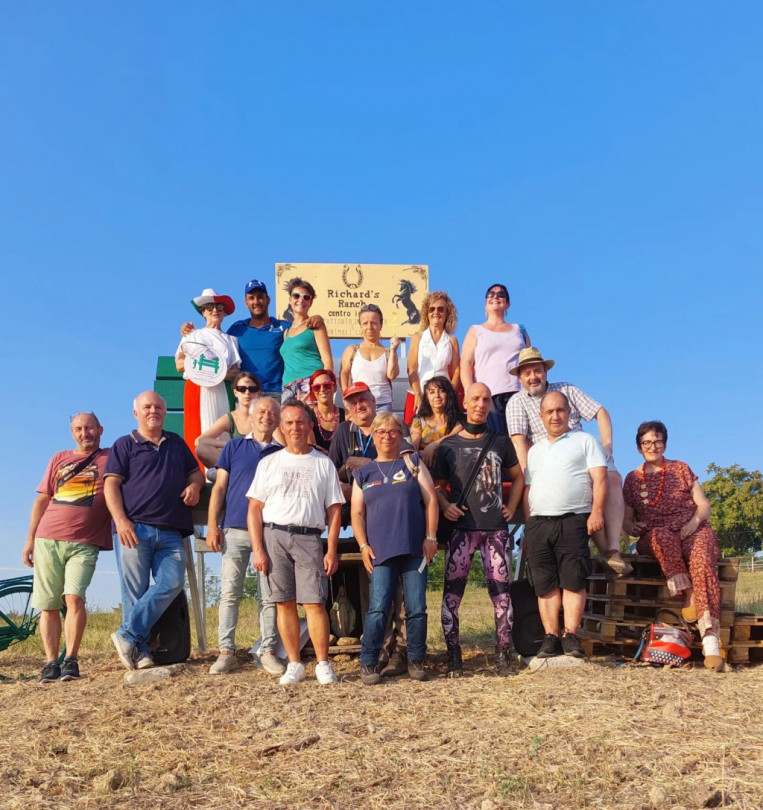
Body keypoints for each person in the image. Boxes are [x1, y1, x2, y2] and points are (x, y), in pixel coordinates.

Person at [506, 346, 632, 577]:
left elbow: (600, 412)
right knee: (578, 494)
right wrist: (529, 476)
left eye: (537, 370)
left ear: (545, 371)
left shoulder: (567, 389)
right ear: (520, 377)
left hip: (583, 451)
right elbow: (518, 442)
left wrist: (607, 446)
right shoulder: (516, 402)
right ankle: (607, 553)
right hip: (550, 461)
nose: (533, 377)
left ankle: (613, 549)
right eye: (527, 373)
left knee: (612, 477)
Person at [247, 399, 344, 685]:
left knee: (314, 602)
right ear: (281, 427)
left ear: (310, 426)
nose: (295, 427)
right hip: (273, 535)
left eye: (300, 422)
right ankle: (294, 663)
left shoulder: (323, 463)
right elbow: (254, 508)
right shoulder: (269, 463)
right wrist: (257, 548)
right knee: (284, 603)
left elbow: (335, 509)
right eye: (288, 422)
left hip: (309, 536)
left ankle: (323, 663)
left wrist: (332, 548)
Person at [105, 391, 204, 670]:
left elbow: (195, 473)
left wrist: (195, 486)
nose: (153, 411)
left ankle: (127, 635)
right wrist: (121, 521)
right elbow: (111, 485)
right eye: (147, 407)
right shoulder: (124, 444)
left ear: (164, 411)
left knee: (171, 583)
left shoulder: (176, 443)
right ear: (136, 412)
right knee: (134, 592)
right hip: (134, 528)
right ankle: (141, 651)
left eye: (159, 406)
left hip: (171, 531)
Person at [432, 383, 524, 677]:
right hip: (461, 530)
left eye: (486, 399)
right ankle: (454, 657)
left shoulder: (501, 441)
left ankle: (503, 656)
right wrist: (445, 504)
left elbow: (519, 476)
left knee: (502, 596)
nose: (481, 404)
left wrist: (512, 504)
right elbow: (435, 486)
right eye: (475, 399)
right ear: (466, 402)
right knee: (451, 597)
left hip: (495, 530)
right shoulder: (448, 446)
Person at [622, 421, 724, 671]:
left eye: (657, 441)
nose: (652, 446)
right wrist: (630, 527)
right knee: (660, 535)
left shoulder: (681, 468)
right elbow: (626, 517)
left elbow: (703, 504)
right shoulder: (633, 479)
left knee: (701, 561)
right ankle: (686, 592)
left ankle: (711, 645)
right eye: (647, 443)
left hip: (692, 527)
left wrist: (694, 522)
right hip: (656, 534)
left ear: (665, 444)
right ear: (639, 447)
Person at [22, 412, 112, 683]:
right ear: (72, 433)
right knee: (48, 605)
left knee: (73, 597)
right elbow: (42, 500)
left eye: (89, 428)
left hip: (85, 542)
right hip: (48, 537)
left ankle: (71, 659)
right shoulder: (59, 458)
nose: (85, 433)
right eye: (79, 429)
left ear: (100, 429)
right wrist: (29, 539)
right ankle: (51, 663)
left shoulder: (112, 457)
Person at [328, 381, 410, 674]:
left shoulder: (392, 424)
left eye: (363, 400)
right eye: (352, 403)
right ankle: (376, 650)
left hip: (393, 519)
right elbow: (331, 472)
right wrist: (349, 482)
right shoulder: (342, 432)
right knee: (378, 594)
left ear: (374, 401)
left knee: (400, 593)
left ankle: (400, 651)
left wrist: (363, 465)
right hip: (358, 515)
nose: (359, 406)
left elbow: (409, 464)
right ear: (347, 409)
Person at [351, 413, 439, 684]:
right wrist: (363, 545)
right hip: (379, 552)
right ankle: (369, 662)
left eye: (393, 432)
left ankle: (416, 659)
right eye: (381, 432)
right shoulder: (363, 472)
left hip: (414, 549)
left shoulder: (412, 463)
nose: (387, 436)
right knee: (378, 607)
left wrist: (431, 537)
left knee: (416, 607)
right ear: (373, 436)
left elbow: (432, 499)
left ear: (400, 435)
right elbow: (356, 513)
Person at [523, 391, 607, 659]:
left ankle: (570, 635)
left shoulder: (584, 441)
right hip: (539, 522)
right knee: (545, 583)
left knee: (573, 579)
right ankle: (550, 636)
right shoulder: (534, 451)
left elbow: (600, 479)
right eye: (549, 412)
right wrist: (528, 524)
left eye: (560, 410)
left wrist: (597, 512)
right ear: (541, 417)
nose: (555, 416)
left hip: (573, 518)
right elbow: (528, 489)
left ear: (569, 412)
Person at [206, 397, 284, 675]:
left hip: (270, 531)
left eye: (272, 412)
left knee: (269, 596)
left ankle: (268, 651)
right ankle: (226, 651)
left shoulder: (282, 453)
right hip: (235, 528)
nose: (266, 416)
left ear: (277, 420)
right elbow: (219, 488)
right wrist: (213, 525)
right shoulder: (234, 446)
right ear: (251, 417)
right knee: (230, 593)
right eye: (261, 411)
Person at [181, 279, 325, 401]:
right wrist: (189, 330)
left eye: (260, 296)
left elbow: (302, 331)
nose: (256, 301)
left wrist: (316, 318)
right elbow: (216, 343)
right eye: (251, 298)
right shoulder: (237, 329)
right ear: (246, 302)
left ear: (268, 300)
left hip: (276, 394)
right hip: (247, 393)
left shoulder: (284, 327)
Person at [176, 288, 241, 438]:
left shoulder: (231, 340)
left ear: (224, 312)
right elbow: (180, 364)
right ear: (203, 312)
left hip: (222, 391)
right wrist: (209, 372)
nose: (214, 311)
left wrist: (212, 374)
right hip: (197, 388)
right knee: (198, 432)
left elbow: (235, 372)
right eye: (209, 307)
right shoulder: (192, 334)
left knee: (222, 434)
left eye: (219, 307)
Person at [460, 283, 530, 419]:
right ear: (485, 303)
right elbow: (466, 363)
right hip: (488, 396)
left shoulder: (520, 330)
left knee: (519, 437)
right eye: (491, 294)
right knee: (493, 437)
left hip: (518, 394)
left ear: (508, 304)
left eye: (501, 294)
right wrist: (469, 392)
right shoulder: (476, 330)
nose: (495, 296)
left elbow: (529, 361)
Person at [405, 291, 461, 424]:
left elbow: (457, 370)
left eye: (441, 309)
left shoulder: (452, 341)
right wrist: (418, 394)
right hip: (418, 394)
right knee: (413, 438)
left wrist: (450, 395)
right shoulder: (417, 338)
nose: (436, 312)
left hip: (442, 397)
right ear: (427, 313)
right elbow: (411, 369)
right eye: (432, 309)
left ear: (447, 313)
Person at [279, 277, 333, 402]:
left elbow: (327, 361)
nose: (301, 300)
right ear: (290, 300)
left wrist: (323, 386)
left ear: (310, 302)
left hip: (311, 382)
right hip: (287, 387)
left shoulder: (315, 325)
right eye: (296, 296)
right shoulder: (286, 333)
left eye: (306, 297)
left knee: (311, 420)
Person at [194, 371, 262, 469]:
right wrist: (229, 445)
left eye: (252, 389)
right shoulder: (230, 417)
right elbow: (199, 441)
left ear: (258, 393)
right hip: (237, 463)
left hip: (260, 462)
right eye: (242, 389)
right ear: (235, 392)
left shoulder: (266, 414)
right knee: (202, 448)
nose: (247, 393)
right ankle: (229, 475)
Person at [339, 304, 400, 413]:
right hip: (359, 403)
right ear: (360, 326)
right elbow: (344, 372)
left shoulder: (388, 351)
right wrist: (346, 395)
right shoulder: (352, 350)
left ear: (381, 325)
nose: (370, 327)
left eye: (374, 323)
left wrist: (394, 351)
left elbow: (392, 375)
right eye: (365, 323)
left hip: (383, 404)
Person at [409, 375, 464, 468]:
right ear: (426, 397)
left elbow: (454, 435)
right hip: (424, 467)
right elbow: (414, 443)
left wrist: (433, 445)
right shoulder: (418, 421)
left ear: (448, 395)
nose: (437, 396)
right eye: (432, 392)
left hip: (450, 467)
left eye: (442, 391)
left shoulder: (458, 420)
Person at [307, 369, 345, 453]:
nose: (322, 389)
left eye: (327, 385)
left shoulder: (347, 416)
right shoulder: (307, 417)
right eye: (317, 387)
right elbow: (311, 450)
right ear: (313, 391)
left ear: (334, 388)